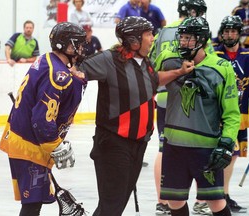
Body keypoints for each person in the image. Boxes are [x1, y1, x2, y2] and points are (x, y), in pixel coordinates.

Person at [71, 16, 194, 216]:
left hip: (138, 144)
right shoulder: (109, 59)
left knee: (115, 204)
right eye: (148, 34)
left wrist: (179, 72)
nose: (153, 38)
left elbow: (155, 81)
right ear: (134, 40)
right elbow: (75, 71)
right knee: (112, 205)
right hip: (113, 143)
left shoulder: (145, 61)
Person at [0, 22, 87, 216]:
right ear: (67, 45)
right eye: (77, 43)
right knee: (32, 203)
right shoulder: (58, 75)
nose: (81, 48)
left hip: (21, 137)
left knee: (34, 201)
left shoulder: (47, 59)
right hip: (28, 145)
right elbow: (42, 118)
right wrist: (55, 144)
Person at [159, 16, 241, 216]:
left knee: (216, 202)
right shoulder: (170, 61)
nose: (183, 42)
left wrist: (226, 143)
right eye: (182, 38)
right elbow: (149, 80)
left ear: (202, 40)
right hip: (174, 146)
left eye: (189, 38)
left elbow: (231, 113)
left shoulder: (221, 67)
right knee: (174, 201)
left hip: (206, 148)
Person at [149, 0, 213, 215]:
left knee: (164, 149)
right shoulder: (200, 31)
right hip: (190, 98)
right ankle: (201, 199)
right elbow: (208, 63)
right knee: (194, 148)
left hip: (164, 97)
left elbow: (151, 63)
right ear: (195, 12)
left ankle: (163, 201)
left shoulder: (162, 32)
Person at [215, 15, 249, 213]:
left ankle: (223, 195)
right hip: (217, 117)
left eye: (233, 31)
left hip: (239, 117)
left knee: (232, 155)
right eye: (226, 31)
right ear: (221, 33)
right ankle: (213, 195)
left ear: (239, 33)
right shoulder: (214, 56)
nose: (230, 34)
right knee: (223, 155)